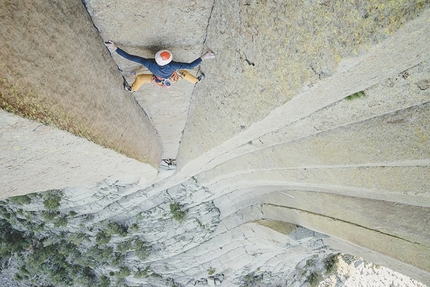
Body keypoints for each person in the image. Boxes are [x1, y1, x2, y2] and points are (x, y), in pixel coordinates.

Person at [104, 41, 215, 91]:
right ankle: (196, 80)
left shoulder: (149, 64)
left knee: (140, 78)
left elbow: (131, 57)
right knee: (185, 74)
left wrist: (115, 48)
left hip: (157, 79)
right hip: (172, 77)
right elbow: (190, 66)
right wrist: (204, 57)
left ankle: (131, 89)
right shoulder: (173, 65)